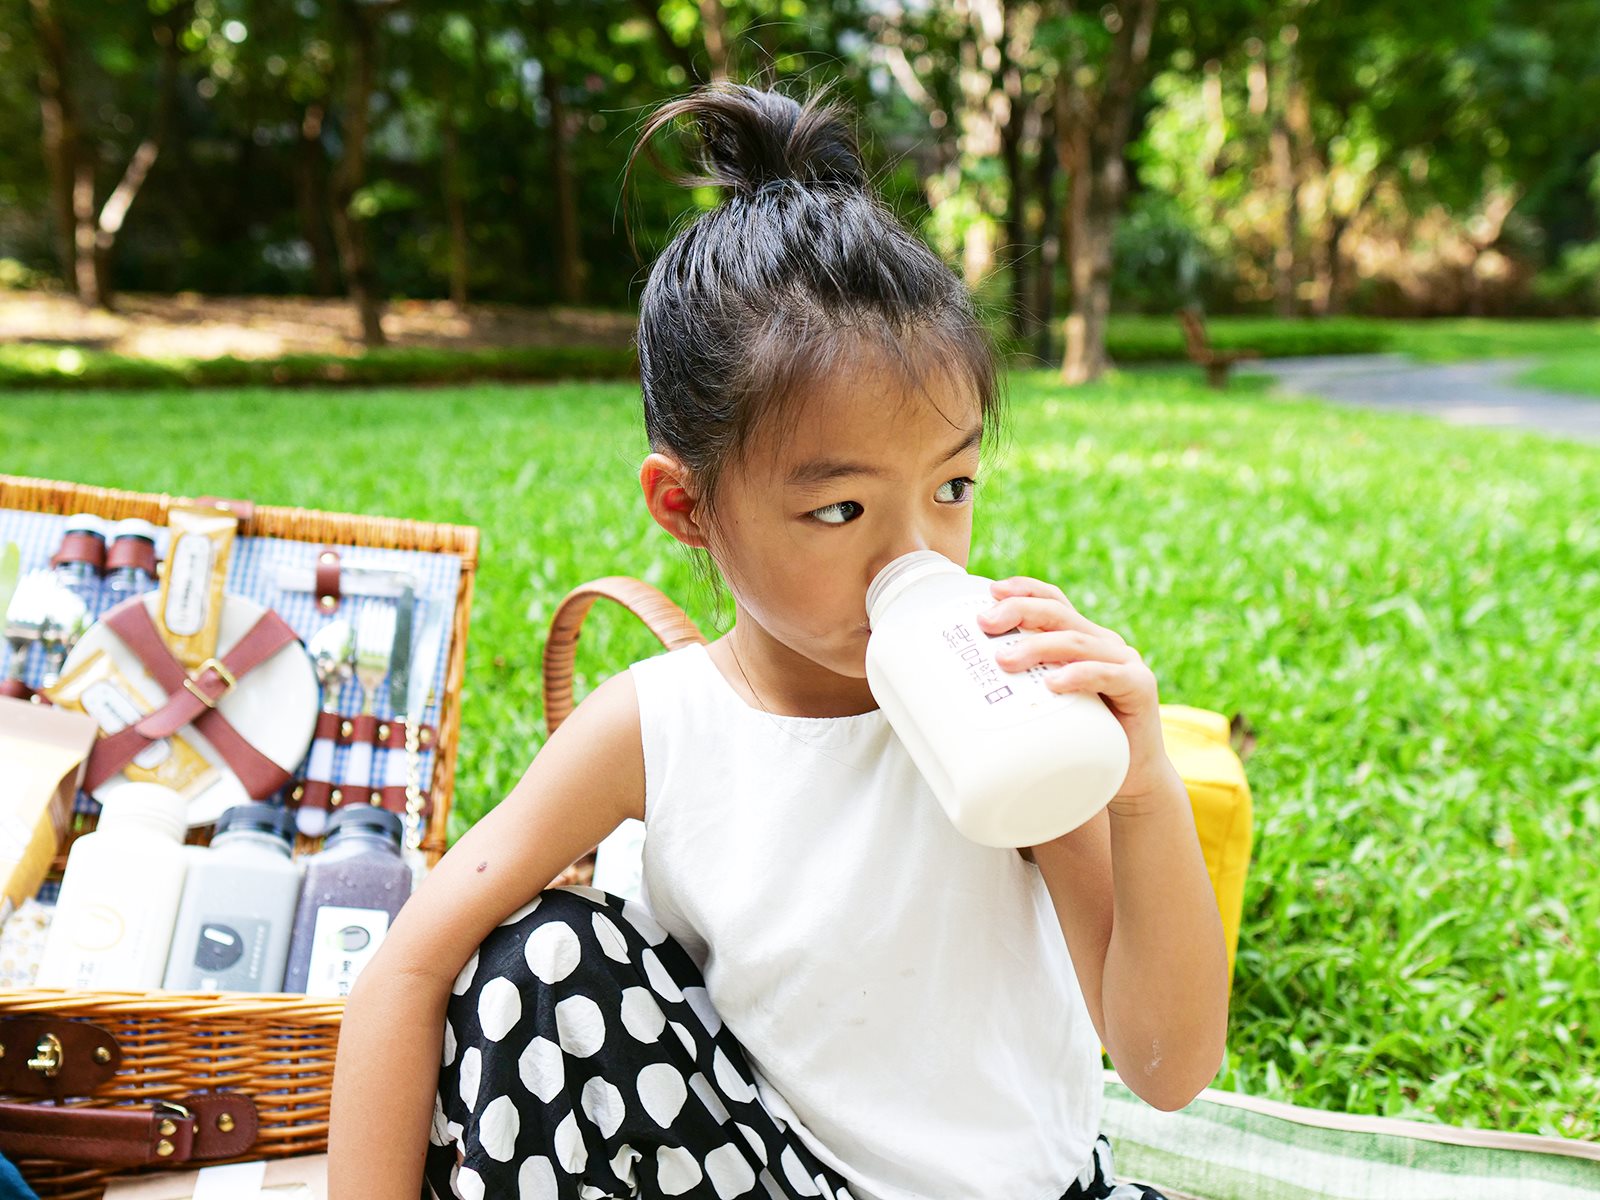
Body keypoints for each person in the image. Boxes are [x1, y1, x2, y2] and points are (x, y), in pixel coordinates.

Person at [329, 79, 1229, 1200]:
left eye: (953, 485)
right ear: (687, 508)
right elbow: (408, 966)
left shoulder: (1006, 700)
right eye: (840, 511)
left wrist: (1137, 787)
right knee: (538, 959)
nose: (918, 556)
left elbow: (1166, 1067)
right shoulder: (656, 726)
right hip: (775, 1180)